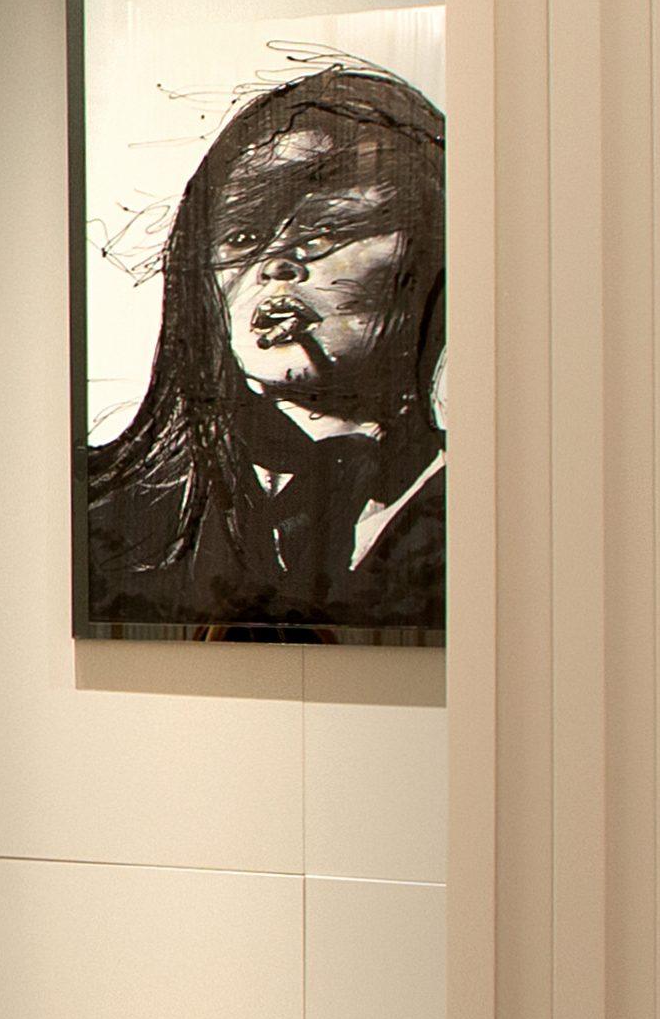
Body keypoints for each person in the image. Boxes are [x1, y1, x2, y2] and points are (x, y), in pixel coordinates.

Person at [82, 62, 446, 642]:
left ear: (428, 256)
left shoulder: (487, 512)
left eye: (325, 231)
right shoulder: (105, 511)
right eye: (243, 237)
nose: (276, 264)